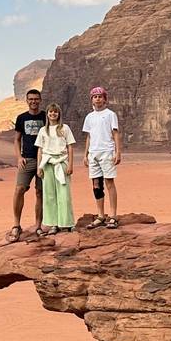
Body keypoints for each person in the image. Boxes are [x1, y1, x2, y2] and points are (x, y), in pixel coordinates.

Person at [7, 89, 46, 242]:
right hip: (27, 159)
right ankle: (16, 225)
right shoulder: (21, 118)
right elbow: (16, 139)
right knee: (19, 189)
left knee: (40, 192)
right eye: (31, 99)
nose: (33, 101)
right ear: (27, 100)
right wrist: (19, 157)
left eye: (36, 99)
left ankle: (38, 226)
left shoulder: (46, 116)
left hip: (43, 160)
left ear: (40, 100)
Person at [82, 86, 122, 229]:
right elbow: (89, 136)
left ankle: (113, 215)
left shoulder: (110, 114)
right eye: (95, 96)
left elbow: (115, 133)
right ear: (91, 99)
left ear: (105, 99)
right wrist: (85, 154)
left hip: (107, 152)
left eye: (100, 96)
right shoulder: (89, 117)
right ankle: (100, 215)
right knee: (96, 186)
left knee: (109, 183)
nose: (97, 99)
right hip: (94, 154)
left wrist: (118, 152)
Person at [34, 103, 76, 233]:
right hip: (47, 163)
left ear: (59, 114)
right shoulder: (43, 131)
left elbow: (70, 147)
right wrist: (39, 167)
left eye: (55, 112)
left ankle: (67, 222)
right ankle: (53, 224)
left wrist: (70, 164)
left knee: (64, 194)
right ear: (47, 114)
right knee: (49, 194)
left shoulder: (65, 128)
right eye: (51, 112)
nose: (53, 114)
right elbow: (40, 150)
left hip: (61, 162)